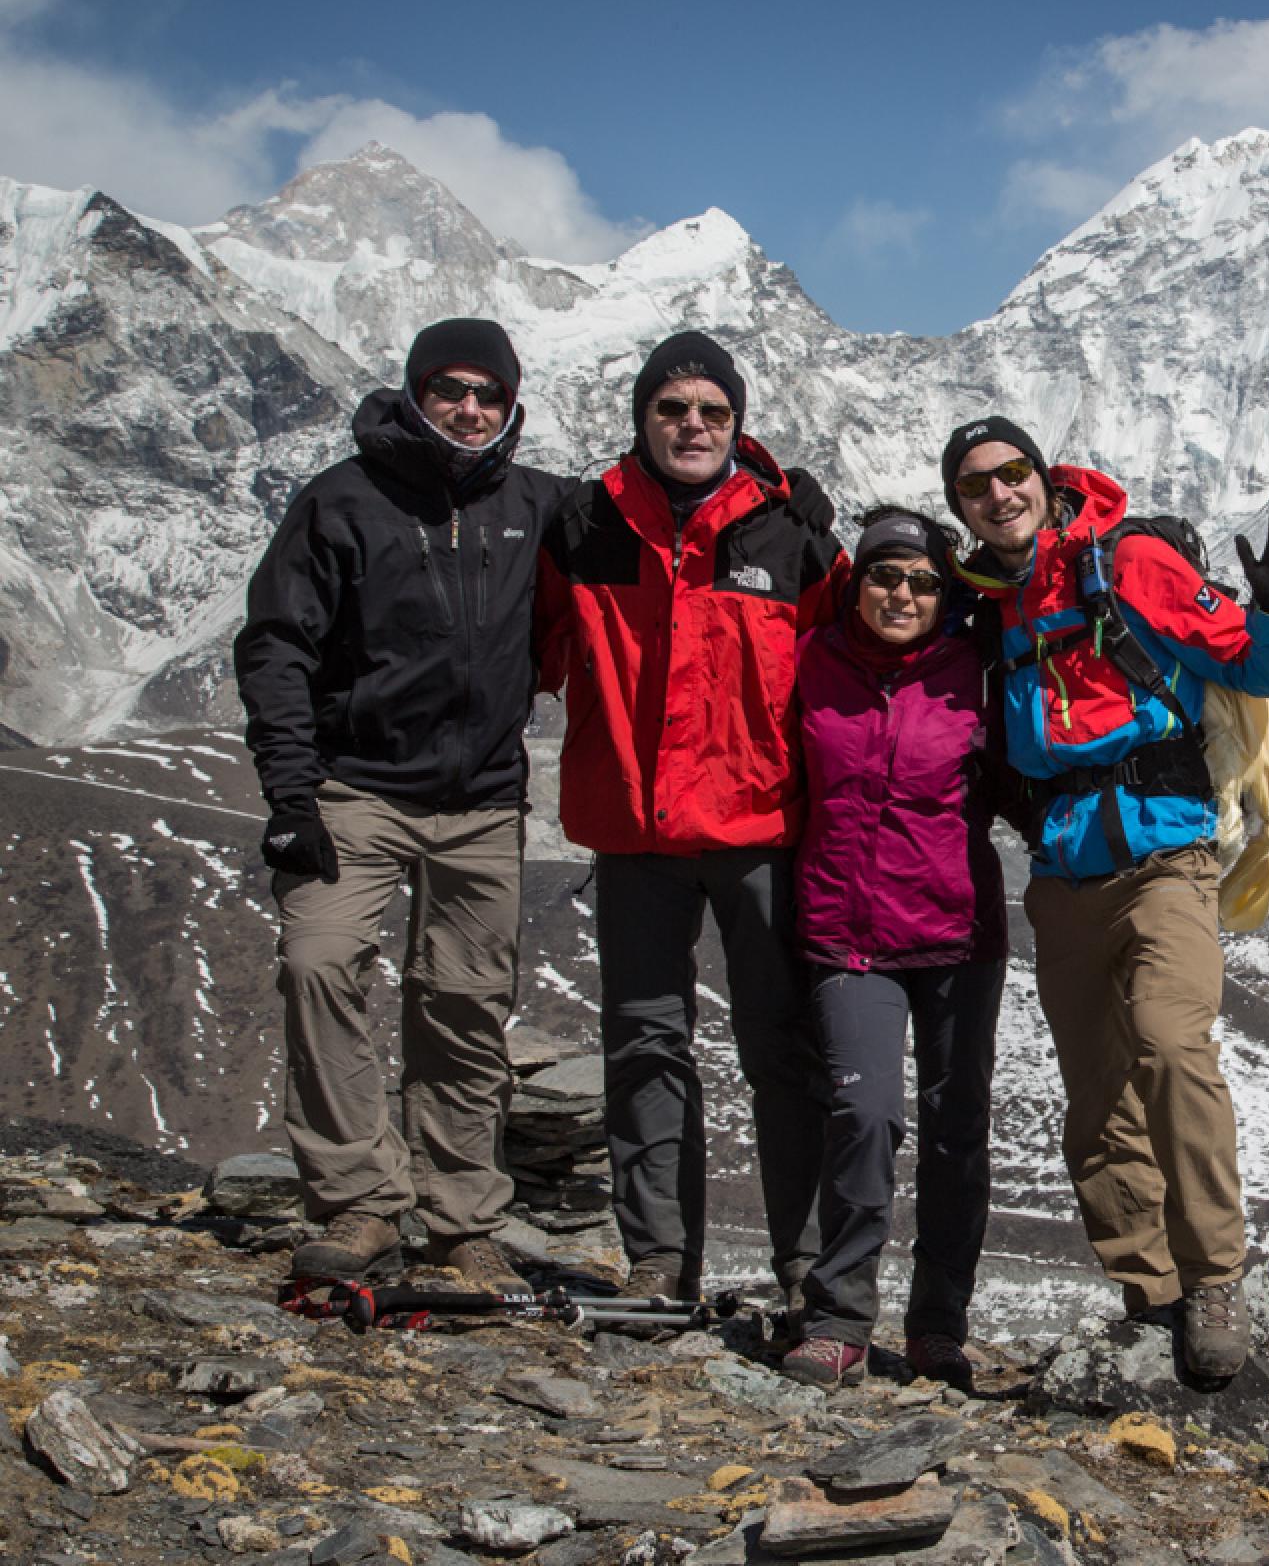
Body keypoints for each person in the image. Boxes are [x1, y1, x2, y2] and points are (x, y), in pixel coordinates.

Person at [942, 414, 1269, 1379]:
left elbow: (1262, 666)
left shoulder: (1128, 562)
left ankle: (1216, 1275)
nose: (998, 494)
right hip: (1064, 878)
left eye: (1010, 473)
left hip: (1165, 860)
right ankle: (1147, 1293)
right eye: (974, 487)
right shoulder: (991, 598)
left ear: (1041, 475)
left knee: (1168, 1040)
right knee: (1098, 1090)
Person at [236, 316, 559, 1296]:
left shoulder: (536, 504)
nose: (469, 408)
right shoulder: (342, 501)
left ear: (509, 408)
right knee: (319, 963)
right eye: (450, 389)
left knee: (463, 1004)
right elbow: (276, 643)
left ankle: (461, 1220)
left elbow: (660, 523)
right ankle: (357, 1202)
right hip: (352, 789)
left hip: (482, 802)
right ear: (416, 393)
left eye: (488, 395)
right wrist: (291, 791)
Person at [536, 332, 847, 1304]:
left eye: (712, 412)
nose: (692, 427)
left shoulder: (789, 533)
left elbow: (856, 663)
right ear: (642, 418)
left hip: (759, 830)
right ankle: (659, 1262)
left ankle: (801, 1265)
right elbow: (530, 647)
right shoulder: (586, 524)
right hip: (635, 830)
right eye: (673, 410)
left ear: (737, 424)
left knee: (782, 1050)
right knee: (643, 1047)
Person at [778, 507, 1008, 1389]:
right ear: (855, 581)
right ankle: (837, 1314)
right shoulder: (812, 662)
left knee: (958, 1131)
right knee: (864, 1115)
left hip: (956, 933)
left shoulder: (975, 670)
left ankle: (939, 1325)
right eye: (884, 575)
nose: (901, 593)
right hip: (848, 934)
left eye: (920, 581)